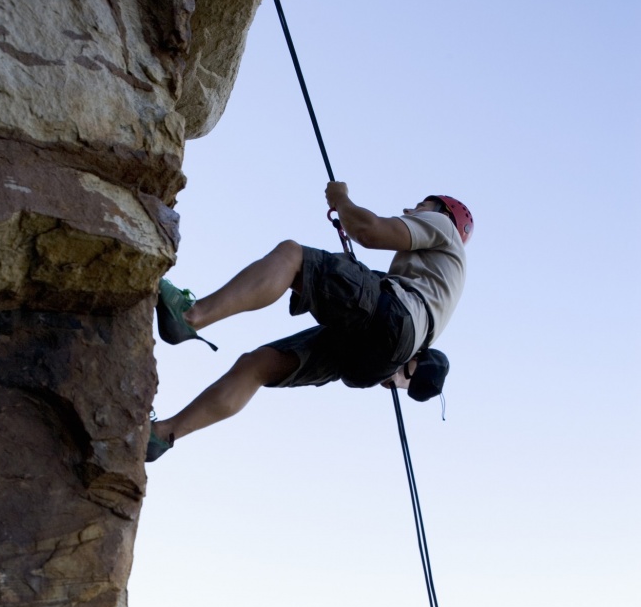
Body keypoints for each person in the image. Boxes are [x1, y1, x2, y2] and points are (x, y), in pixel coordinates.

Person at [146, 183, 472, 461]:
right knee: (257, 365)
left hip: (392, 316)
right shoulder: (439, 289)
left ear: (444, 213)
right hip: (377, 355)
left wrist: (341, 200)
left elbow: (369, 230)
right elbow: (402, 355)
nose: (410, 209)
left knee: (292, 256)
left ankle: (190, 316)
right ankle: (161, 435)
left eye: (421, 206)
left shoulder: (443, 228)